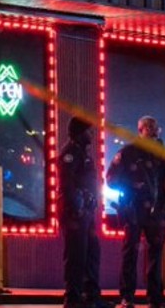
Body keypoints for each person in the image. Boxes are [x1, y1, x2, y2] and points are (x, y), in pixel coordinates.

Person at [106, 116, 165, 308]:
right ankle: (127, 298)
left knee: (155, 254)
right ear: (140, 130)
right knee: (130, 252)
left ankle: (156, 298)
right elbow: (111, 179)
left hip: (157, 212)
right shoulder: (129, 153)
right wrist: (131, 186)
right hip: (133, 210)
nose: (153, 130)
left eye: (154, 127)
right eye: (148, 127)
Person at [59, 116, 109, 308]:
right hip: (75, 213)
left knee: (91, 254)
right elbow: (67, 183)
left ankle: (91, 297)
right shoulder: (70, 153)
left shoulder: (83, 153)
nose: (90, 134)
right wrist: (76, 207)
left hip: (86, 212)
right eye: (87, 131)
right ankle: (73, 298)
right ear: (79, 133)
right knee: (76, 256)